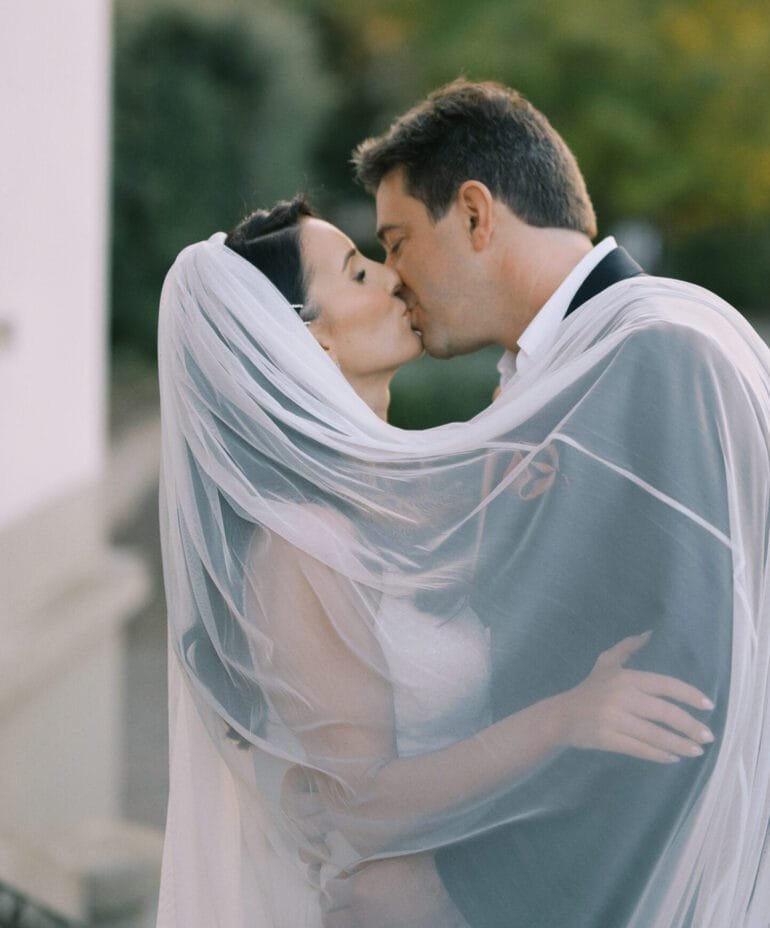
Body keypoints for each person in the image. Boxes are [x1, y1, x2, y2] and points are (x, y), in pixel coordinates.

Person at [154, 197, 720, 928]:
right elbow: (359, 807)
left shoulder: (402, 500)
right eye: (358, 272)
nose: (393, 276)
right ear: (309, 343)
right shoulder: (299, 546)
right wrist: (567, 718)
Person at [314, 78, 770, 927]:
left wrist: (479, 887)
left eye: (400, 240)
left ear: (477, 216)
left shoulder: (658, 354)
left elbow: (690, 686)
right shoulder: (559, 371)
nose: (395, 276)